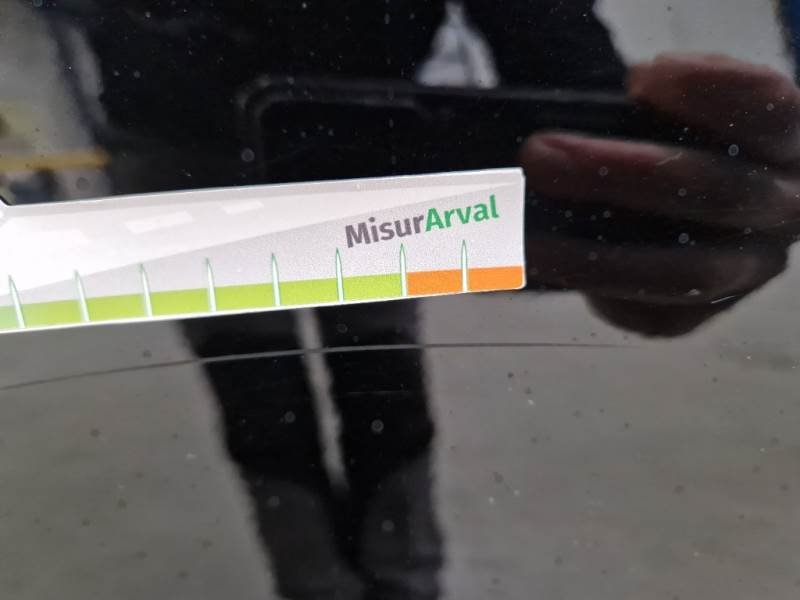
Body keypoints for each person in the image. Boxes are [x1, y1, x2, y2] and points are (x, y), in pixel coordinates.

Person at [40, 2, 800, 599]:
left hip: (335, 144)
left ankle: (383, 579)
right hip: (219, 154)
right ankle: (338, 582)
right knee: (279, 393)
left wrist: (616, 150)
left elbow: (544, 31)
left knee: (360, 381)